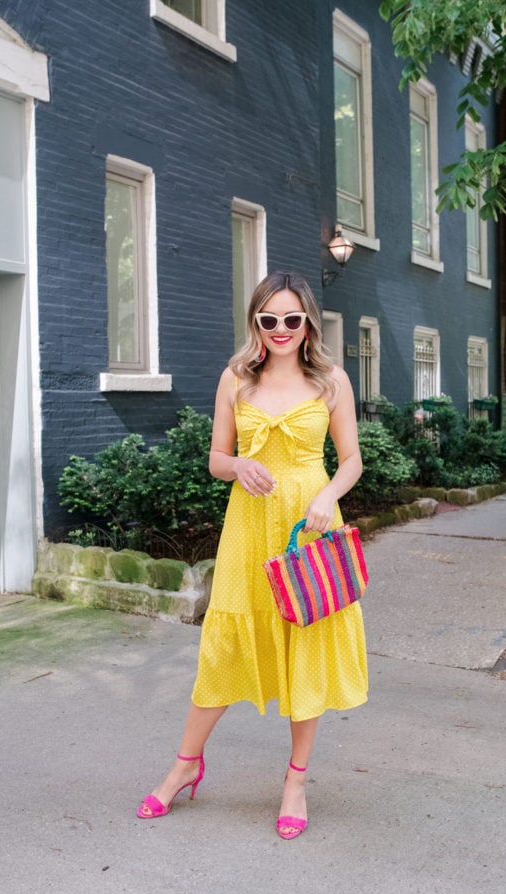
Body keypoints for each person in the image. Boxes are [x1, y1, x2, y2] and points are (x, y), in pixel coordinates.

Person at [137, 271, 368, 839]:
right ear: (256, 324)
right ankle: (185, 764)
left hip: (309, 527)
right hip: (248, 528)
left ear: (308, 321)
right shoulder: (235, 379)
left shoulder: (332, 381)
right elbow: (218, 458)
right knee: (222, 652)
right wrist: (238, 465)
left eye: (293, 319)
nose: (282, 329)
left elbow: (351, 461)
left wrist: (326, 496)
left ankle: (295, 780)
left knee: (304, 647)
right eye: (270, 320)